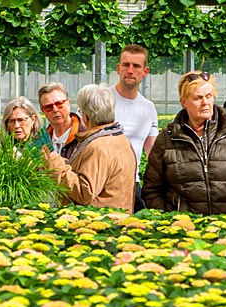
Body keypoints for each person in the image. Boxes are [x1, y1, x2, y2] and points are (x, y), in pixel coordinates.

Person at [143, 71, 226, 219]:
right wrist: (168, 219)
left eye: (209, 96)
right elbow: (152, 188)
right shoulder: (167, 139)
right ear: (184, 102)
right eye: (198, 98)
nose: (205, 102)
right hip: (184, 231)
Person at [45, 83, 137, 213]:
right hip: (116, 219)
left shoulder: (99, 146)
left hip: (99, 224)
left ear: (86, 117)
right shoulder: (119, 138)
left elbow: (84, 193)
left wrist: (53, 162)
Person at [111, 44, 159, 213]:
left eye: (136, 66)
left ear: (145, 71)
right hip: (102, 182)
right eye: (126, 65)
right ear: (118, 68)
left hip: (133, 183)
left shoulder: (148, 108)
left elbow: (154, 153)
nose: (130, 70)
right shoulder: (103, 99)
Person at [37, 82, 86, 159]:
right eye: (48, 107)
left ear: (68, 103)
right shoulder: (41, 141)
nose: (55, 110)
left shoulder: (84, 135)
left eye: (59, 104)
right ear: (42, 110)